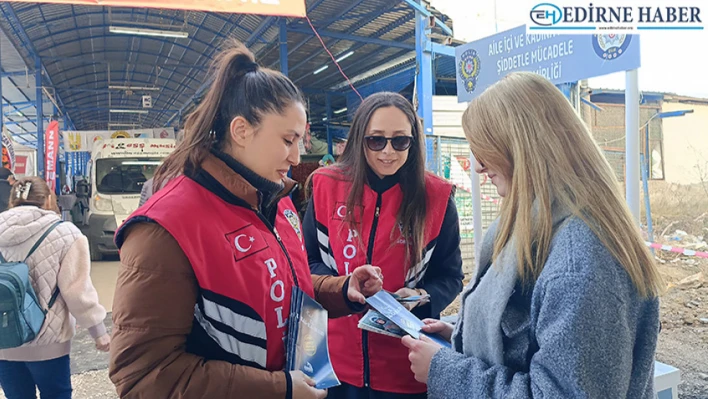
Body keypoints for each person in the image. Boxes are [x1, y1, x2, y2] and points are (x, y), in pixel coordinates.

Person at [108, 40, 383, 399]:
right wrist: (278, 388)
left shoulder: (277, 203)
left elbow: (281, 288)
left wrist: (341, 289)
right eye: (288, 140)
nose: (297, 156)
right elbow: (144, 376)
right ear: (241, 131)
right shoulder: (164, 229)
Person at [402, 72, 663, 398]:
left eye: (485, 151)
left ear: (523, 147)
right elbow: (536, 341)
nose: (479, 167)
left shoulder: (580, 263)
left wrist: (444, 369)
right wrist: (461, 337)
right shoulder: (538, 230)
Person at [304, 92, 464, 398]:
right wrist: (342, 286)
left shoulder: (438, 197)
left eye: (400, 141)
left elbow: (451, 276)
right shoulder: (325, 186)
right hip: (334, 365)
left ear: (413, 142)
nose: (387, 151)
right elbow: (307, 262)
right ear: (359, 139)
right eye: (376, 140)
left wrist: (420, 296)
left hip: (407, 368)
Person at [0, 177, 110, 399]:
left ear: (12, 200)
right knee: (57, 394)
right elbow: (77, 292)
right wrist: (98, 332)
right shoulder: (67, 234)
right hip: (49, 343)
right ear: (48, 199)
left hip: (4, 338)